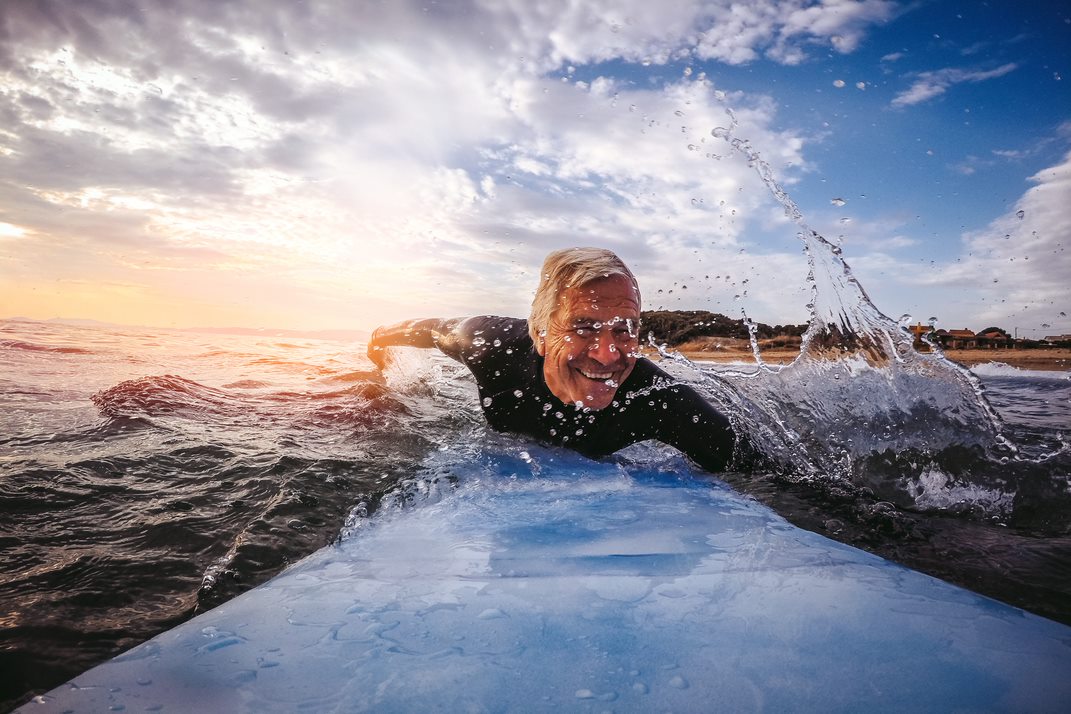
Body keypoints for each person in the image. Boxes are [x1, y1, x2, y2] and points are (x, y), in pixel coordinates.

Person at [367, 247, 740, 472]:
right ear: (540, 333)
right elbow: (430, 329)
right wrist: (380, 339)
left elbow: (757, 474)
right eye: (584, 328)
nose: (608, 354)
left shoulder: (661, 401)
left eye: (624, 330)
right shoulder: (490, 345)